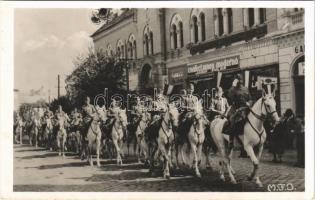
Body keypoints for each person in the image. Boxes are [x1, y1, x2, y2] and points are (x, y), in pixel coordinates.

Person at [226, 74, 253, 157]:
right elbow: (229, 98)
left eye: (240, 80)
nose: (239, 81)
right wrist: (232, 87)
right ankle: (231, 141)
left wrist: (249, 103)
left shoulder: (245, 89)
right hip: (236, 109)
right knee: (231, 120)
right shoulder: (233, 89)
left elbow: (250, 99)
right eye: (238, 80)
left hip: (246, 109)